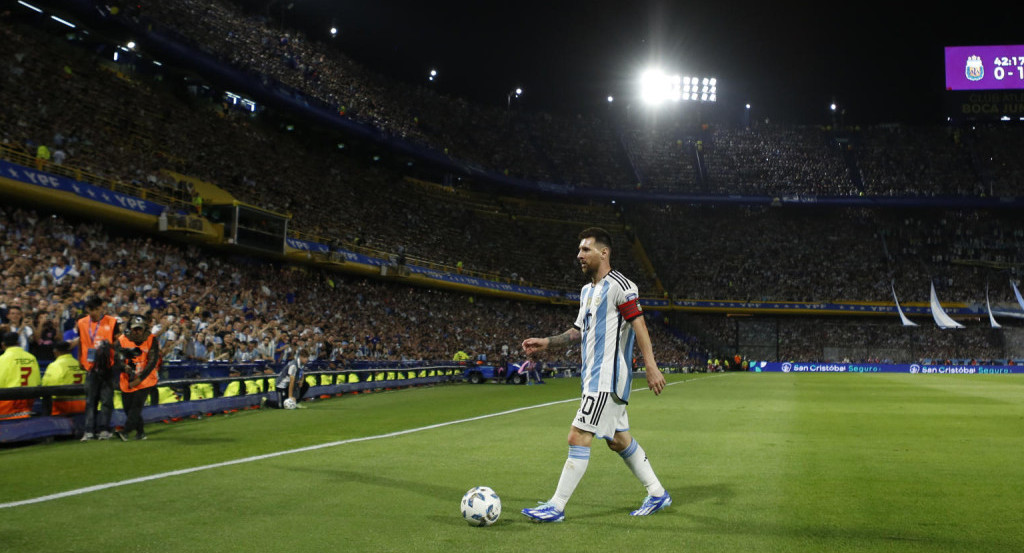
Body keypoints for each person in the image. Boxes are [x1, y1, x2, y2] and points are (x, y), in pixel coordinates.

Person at [520, 227, 670, 522]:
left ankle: (557, 505)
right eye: (579, 250)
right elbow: (577, 332)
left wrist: (651, 366)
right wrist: (547, 343)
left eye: (585, 249)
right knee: (618, 439)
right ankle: (657, 493)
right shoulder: (587, 292)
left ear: (604, 252)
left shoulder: (622, 285)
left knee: (578, 436)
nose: (579, 255)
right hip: (592, 378)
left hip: (607, 379)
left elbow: (639, 325)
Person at [75, 296, 120, 441]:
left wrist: (109, 346)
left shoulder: (112, 322)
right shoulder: (82, 322)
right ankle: (89, 431)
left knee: (106, 400)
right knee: (90, 401)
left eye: (96, 309)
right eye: (90, 309)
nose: (93, 312)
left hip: (107, 366)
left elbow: (119, 342)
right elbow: (82, 341)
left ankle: (104, 430)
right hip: (90, 366)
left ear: (102, 307)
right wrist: (79, 359)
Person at [115, 316, 161, 441]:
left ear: (144, 329)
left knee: (136, 406)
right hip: (127, 377)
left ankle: (125, 431)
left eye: (139, 329)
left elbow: (152, 361)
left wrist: (140, 379)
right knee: (128, 408)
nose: (137, 332)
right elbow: (117, 359)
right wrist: (125, 368)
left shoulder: (151, 340)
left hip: (146, 378)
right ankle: (140, 432)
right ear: (130, 329)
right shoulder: (122, 340)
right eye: (135, 329)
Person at [0, 331, 41, 421]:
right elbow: (38, 381)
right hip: (29, 402)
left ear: (3, 345)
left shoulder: (2, 359)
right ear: (18, 343)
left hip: (8, 404)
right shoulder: (31, 357)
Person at [40, 340, 87, 415]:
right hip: (82, 406)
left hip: (62, 407)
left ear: (55, 351)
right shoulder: (79, 364)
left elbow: (46, 386)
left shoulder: (55, 366)